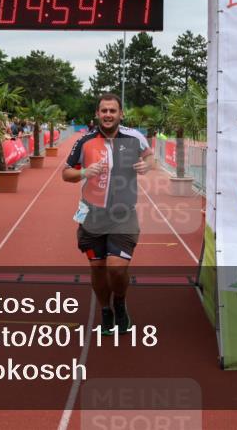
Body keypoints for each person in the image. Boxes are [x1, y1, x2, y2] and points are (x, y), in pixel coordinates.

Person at [62, 93, 153, 335]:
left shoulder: (134, 138)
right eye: (104, 111)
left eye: (113, 111)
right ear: (97, 114)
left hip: (123, 214)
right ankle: (106, 309)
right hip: (92, 215)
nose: (108, 115)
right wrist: (84, 172)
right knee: (98, 268)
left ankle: (120, 301)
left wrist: (148, 164)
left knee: (116, 268)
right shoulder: (85, 141)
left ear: (121, 114)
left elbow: (150, 155)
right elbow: (66, 173)